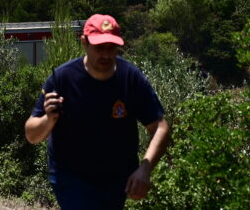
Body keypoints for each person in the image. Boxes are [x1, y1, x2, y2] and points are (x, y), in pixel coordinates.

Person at [25, 14, 171, 209]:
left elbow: (160, 127)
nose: (106, 54)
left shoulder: (130, 78)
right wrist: (49, 119)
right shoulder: (62, 78)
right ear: (84, 43)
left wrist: (145, 169)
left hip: (116, 177)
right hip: (70, 176)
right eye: (99, 47)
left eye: (111, 47)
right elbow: (32, 135)